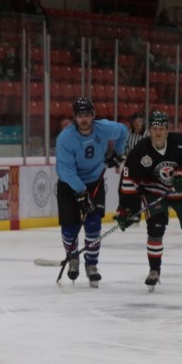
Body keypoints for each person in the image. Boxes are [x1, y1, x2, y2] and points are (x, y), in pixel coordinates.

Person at [118, 110, 182, 290]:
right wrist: (125, 208)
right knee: (155, 229)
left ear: (167, 130)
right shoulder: (140, 151)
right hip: (155, 193)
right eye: (155, 128)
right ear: (149, 130)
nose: (158, 132)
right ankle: (154, 270)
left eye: (161, 129)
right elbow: (128, 179)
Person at [54, 96, 128, 288]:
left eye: (87, 115)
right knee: (70, 227)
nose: (84, 119)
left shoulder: (104, 128)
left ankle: (91, 265)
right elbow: (66, 171)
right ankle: (73, 259)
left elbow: (123, 131)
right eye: (80, 115)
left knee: (93, 223)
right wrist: (81, 192)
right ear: (74, 118)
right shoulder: (65, 138)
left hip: (94, 181)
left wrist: (118, 154)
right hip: (69, 185)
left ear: (93, 115)